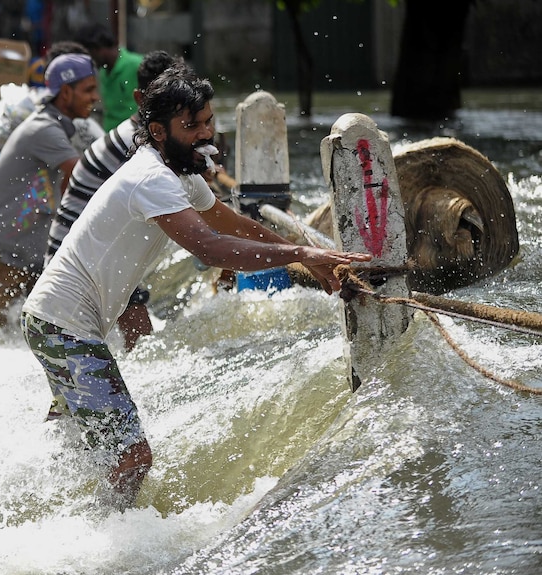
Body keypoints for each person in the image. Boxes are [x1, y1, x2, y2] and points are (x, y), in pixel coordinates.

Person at [20, 64, 373, 509]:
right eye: (192, 126)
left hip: (55, 322)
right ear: (158, 130)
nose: (206, 134)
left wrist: (304, 256)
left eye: (208, 121)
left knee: (83, 450)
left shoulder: (182, 176)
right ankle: (106, 543)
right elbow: (211, 248)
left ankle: (57, 516)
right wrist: (302, 255)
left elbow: (235, 224)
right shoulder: (152, 178)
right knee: (132, 458)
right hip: (62, 327)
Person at [45, 49, 180, 351]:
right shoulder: (136, 144)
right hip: (79, 260)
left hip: (93, 253)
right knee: (141, 343)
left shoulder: (147, 141)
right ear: (141, 100)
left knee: (128, 344)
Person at [0, 53, 100, 328]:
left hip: (23, 252)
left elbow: (69, 186)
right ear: (66, 92)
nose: (96, 97)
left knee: (35, 336)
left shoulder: (54, 126)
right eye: (88, 90)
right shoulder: (45, 129)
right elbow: (85, 177)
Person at [75, 22, 142, 132]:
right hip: (110, 136)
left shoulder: (136, 65)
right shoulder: (103, 72)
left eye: (88, 55)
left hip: (133, 135)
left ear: (97, 48)